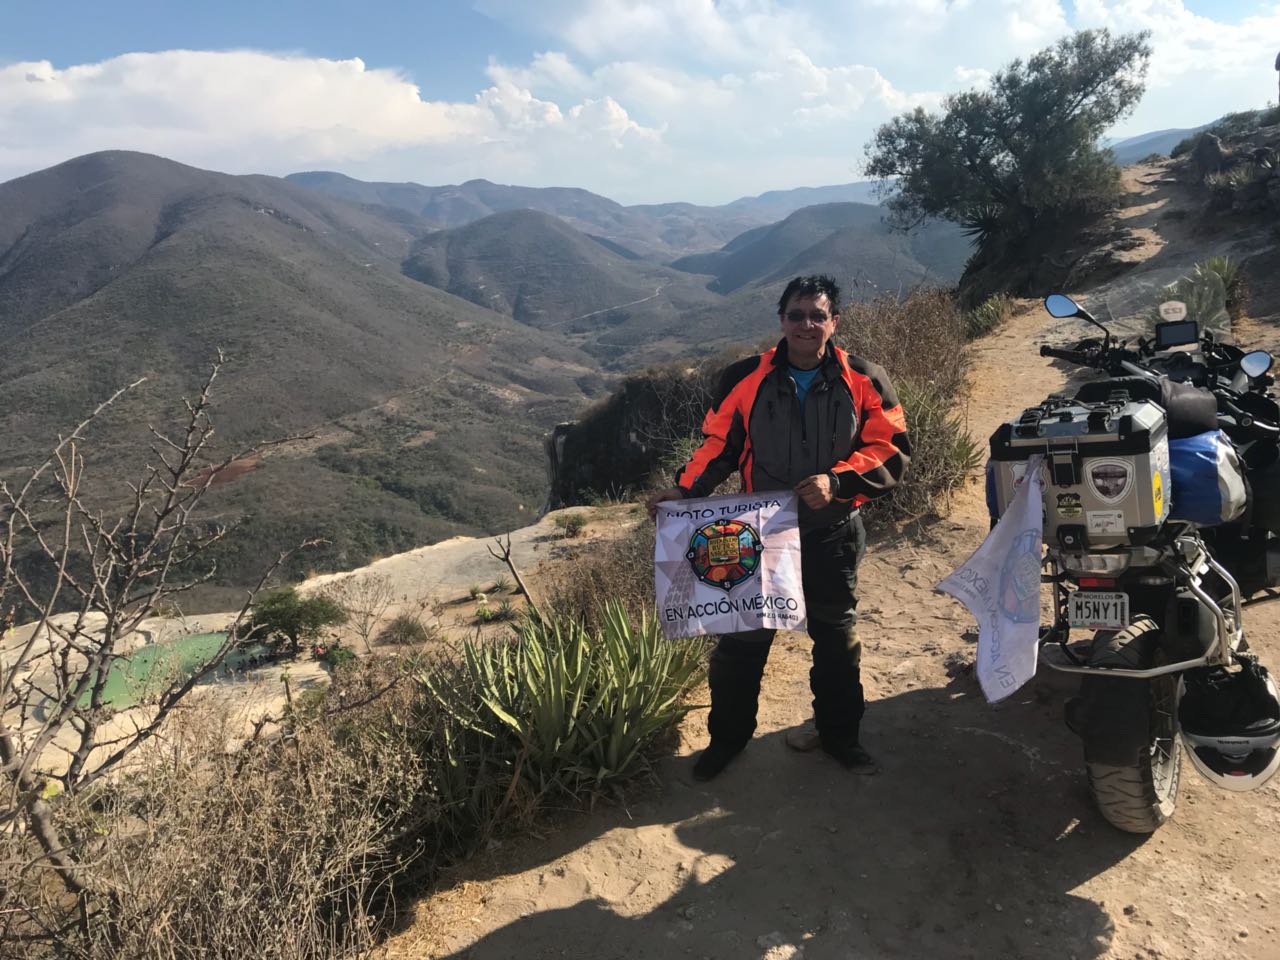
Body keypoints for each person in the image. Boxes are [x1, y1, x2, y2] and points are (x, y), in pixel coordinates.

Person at [647, 274, 909, 781]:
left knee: (835, 639)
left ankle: (840, 737)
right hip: (758, 535)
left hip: (833, 529)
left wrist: (838, 481)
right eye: (796, 315)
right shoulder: (745, 377)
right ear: (781, 320)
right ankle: (727, 739)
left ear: (835, 321)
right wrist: (683, 491)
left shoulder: (865, 377)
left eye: (817, 315)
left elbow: (891, 446)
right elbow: (717, 445)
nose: (806, 324)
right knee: (742, 642)